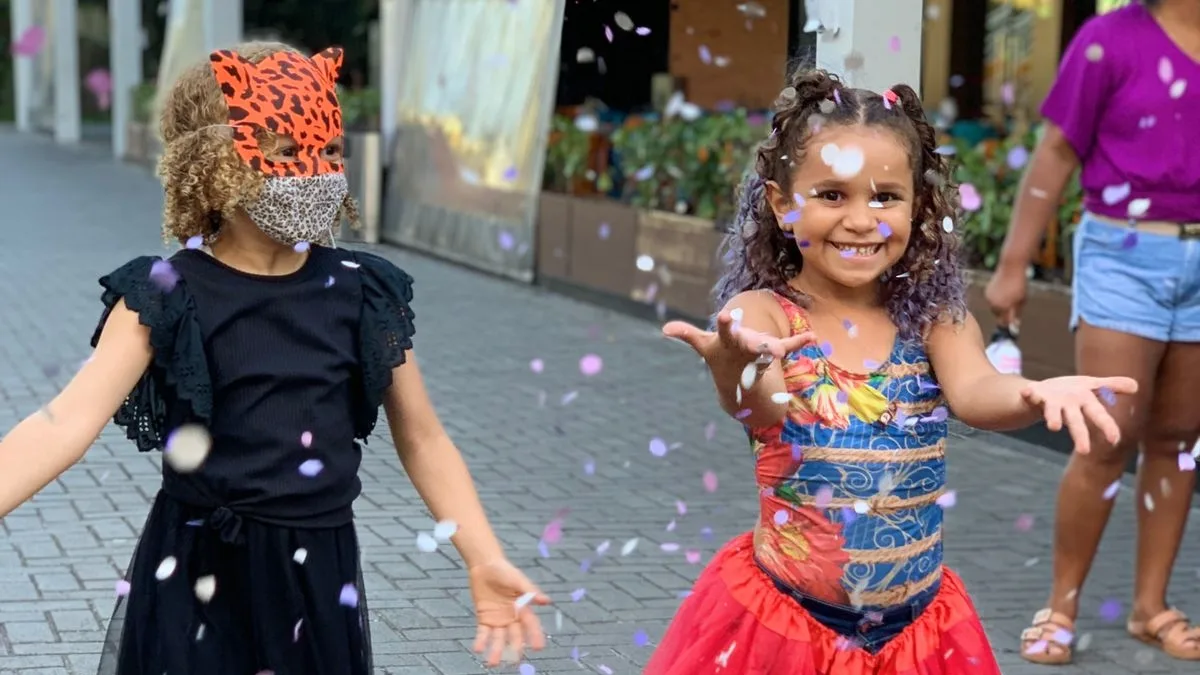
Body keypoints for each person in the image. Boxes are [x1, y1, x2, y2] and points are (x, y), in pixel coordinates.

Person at [0, 42, 548, 674]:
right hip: (196, 577)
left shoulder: (361, 291)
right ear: (214, 163)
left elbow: (422, 438)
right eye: (287, 151)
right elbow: (63, 423)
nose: (315, 171)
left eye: (331, 150)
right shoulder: (165, 294)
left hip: (318, 581)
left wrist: (481, 555)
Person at [644, 69, 1136, 675]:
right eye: (832, 195)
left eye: (885, 196)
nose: (861, 219)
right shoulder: (762, 314)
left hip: (918, 635)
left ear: (917, 203)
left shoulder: (934, 319)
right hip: (789, 630)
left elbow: (977, 391)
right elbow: (763, 406)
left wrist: (1032, 393)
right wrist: (736, 374)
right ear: (780, 204)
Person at [985, 0, 1200, 664]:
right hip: (1122, 252)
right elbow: (1055, 153)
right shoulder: (1109, 38)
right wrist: (1014, 264)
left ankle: (1150, 606)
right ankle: (1060, 607)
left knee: (1177, 440)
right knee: (1108, 433)